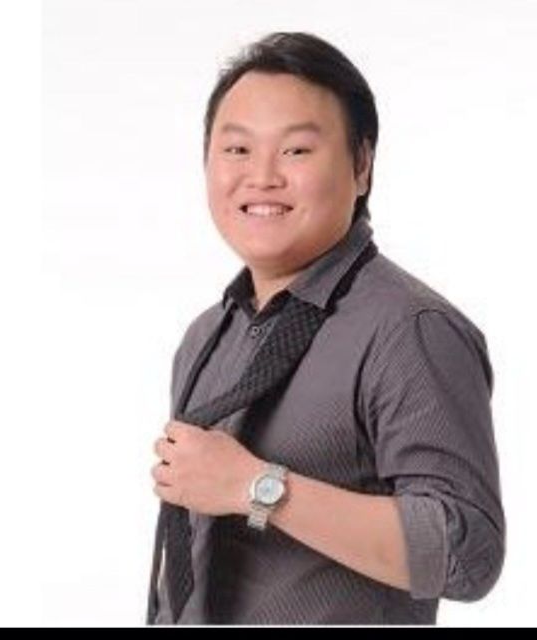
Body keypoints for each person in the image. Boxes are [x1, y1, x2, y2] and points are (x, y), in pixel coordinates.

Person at [148, 31, 505, 625]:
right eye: (237, 149)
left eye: (296, 150)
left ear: (362, 166)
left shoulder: (410, 329)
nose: (261, 176)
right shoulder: (207, 336)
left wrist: (258, 488)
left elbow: (468, 554)